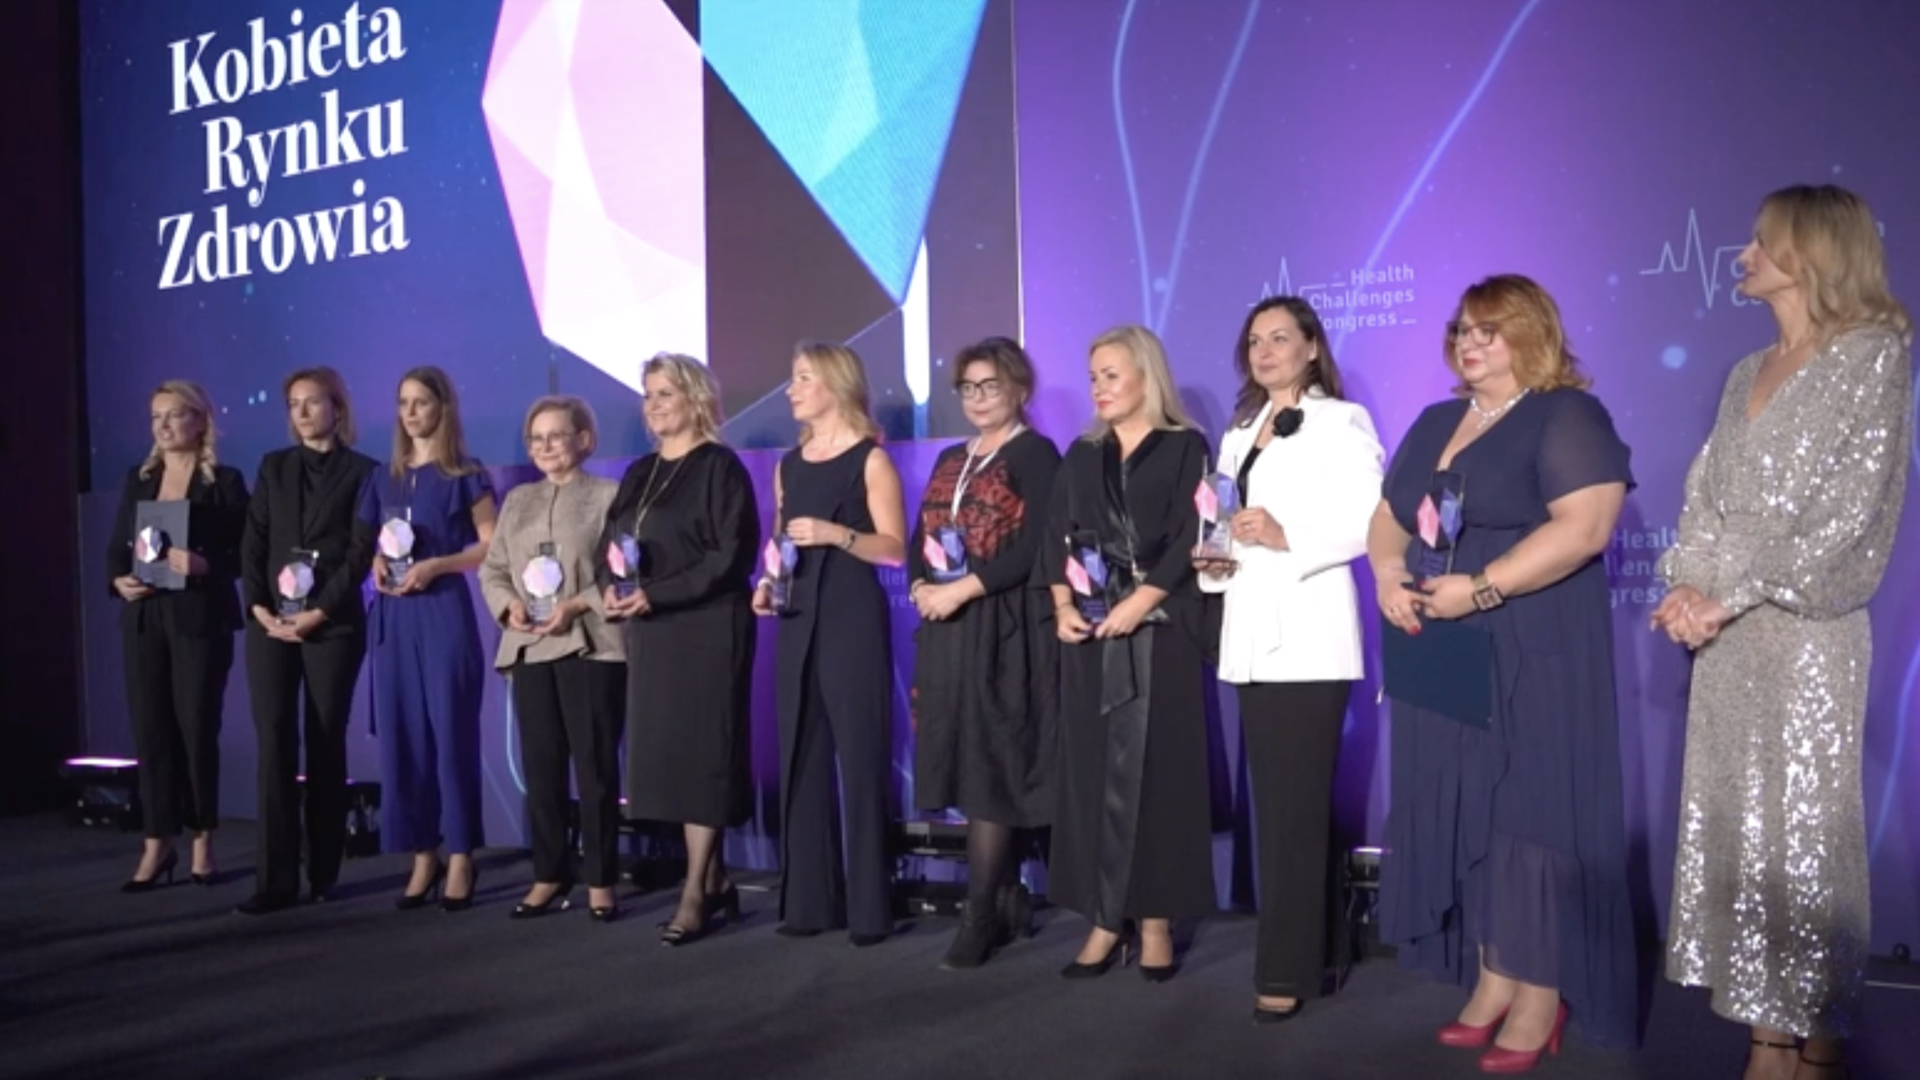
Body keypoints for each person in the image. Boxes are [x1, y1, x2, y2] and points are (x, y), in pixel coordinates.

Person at [1652, 184, 1912, 1080]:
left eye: (1762, 242)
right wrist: (1688, 585)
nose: (1744, 255)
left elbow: (1851, 517)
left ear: (1811, 253)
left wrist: (1731, 594)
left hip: (1808, 632)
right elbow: (1705, 496)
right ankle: (1771, 1036)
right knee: (1740, 827)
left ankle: (1817, 1035)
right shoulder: (1742, 373)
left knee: (1804, 832)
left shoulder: (1872, 356)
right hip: (1727, 638)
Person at [1369, 274, 1638, 1069]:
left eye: (1490, 328)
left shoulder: (1567, 414)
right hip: (1438, 639)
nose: (1470, 341)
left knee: (1531, 812)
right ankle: (1493, 972)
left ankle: (1542, 990)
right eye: (1462, 328)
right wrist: (1388, 575)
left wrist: (1482, 589)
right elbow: (1387, 518)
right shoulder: (1436, 419)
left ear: (1532, 333)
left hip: (1530, 636)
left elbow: (1586, 528)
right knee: (1468, 808)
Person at [1195, 298, 1383, 1019]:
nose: (1265, 351)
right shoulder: (1238, 431)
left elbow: (1370, 520)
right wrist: (1214, 558)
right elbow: (1221, 520)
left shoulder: (1342, 420)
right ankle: (1322, 948)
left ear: (1311, 347)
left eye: (1280, 338)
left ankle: (1287, 969)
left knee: (1294, 811)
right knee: (1279, 808)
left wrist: (1285, 534)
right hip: (1250, 635)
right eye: (1255, 341)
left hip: (1308, 636)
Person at [1045, 325, 1216, 982]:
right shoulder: (1081, 453)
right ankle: (1103, 918)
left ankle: (1154, 922)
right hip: (1092, 636)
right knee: (1093, 778)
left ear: (1147, 376)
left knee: (1159, 779)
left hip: (1160, 628)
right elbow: (1055, 537)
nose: (1099, 387)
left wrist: (1142, 601)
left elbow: (1195, 532)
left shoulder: (1185, 447)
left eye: (1111, 374)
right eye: (1093, 377)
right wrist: (1062, 606)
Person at [906, 337, 1061, 968]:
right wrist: (919, 585)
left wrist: (966, 588)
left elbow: (1039, 546)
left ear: (1019, 389)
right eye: (967, 388)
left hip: (1005, 625)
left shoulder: (1035, 454)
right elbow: (921, 534)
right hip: (947, 630)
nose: (976, 398)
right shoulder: (952, 456)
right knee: (963, 763)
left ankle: (979, 915)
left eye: (989, 386)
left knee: (992, 768)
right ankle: (1003, 898)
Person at [600, 354, 760, 945]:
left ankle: (696, 894)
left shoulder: (720, 467)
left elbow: (731, 556)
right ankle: (715, 879)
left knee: (704, 759)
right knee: (669, 761)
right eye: (648, 394)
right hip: (653, 631)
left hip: (708, 628)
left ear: (695, 399)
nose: (653, 404)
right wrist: (611, 585)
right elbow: (614, 541)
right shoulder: (640, 471)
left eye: (665, 392)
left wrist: (657, 593)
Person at [752, 342, 908, 947]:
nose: (791, 390)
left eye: (802, 379)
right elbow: (779, 544)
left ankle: (869, 909)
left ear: (835, 385)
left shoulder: (871, 460)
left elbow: (894, 548)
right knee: (801, 753)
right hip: (796, 616)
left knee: (861, 760)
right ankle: (810, 902)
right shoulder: (789, 465)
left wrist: (837, 534)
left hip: (850, 616)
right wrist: (766, 583)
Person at [236, 367, 379, 915]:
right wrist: (258, 609)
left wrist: (318, 613)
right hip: (270, 623)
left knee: (324, 740)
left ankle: (322, 869)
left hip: (331, 625)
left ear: (337, 409)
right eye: (293, 403)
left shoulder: (363, 472)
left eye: (312, 402)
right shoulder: (274, 466)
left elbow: (359, 553)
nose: (300, 412)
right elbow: (254, 544)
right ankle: (274, 880)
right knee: (273, 740)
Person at [479, 396, 625, 922]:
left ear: (584, 439)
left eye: (556, 435)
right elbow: (493, 569)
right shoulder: (518, 499)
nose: (544, 447)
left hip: (590, 643)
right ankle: (549, 874)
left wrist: (578, 605)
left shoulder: (609, 496)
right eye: (535, 438)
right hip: (532, 646)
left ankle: (601, 879)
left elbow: (620, 571)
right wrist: (509, 606)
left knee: (595, 768)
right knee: (541, 769)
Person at [358, 366, 498, 913]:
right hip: (394, 618)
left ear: (443, 406)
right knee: (403, 737)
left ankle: (461, 854)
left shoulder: (464, 473)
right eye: (403, 402)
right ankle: (423, 853)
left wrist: (439, 564)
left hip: (442, 611)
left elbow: (490, 545)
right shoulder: (383, 477)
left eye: (420, 401)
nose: (410, 412)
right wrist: (377, 564)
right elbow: (376, 544)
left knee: (451, 733)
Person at [106, 380, 248, 893]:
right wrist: (117, 580)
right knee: (152, 731)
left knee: (196, 729)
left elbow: (246, 554)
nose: (163, 426)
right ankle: (157, 842)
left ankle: (202, 839)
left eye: (173, 415)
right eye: (155, 417)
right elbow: (118, 549)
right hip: (146, 619)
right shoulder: (140, 479)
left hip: (199, 620)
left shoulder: (224, 482)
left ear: (200, 420)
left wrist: (206, 564)